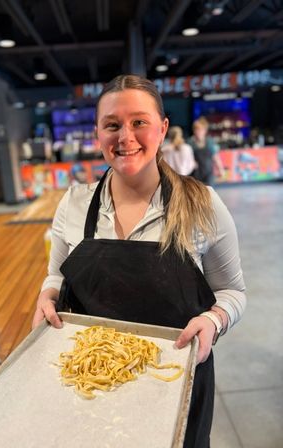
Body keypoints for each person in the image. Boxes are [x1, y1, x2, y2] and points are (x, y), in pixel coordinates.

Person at [32, 75, 246, 447]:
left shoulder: (202, 204)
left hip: (175, 382)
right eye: (112, 125)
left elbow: (232, 291)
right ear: (98, 133)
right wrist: (47, 296)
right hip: (94, 385)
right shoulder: (75, 203)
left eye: (139, 122)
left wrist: (213, 320)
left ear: (162, 129)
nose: (125, 137)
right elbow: (56, 275)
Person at [188, 117, 225, 185]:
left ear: (205, 131)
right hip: (195, 174)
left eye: (200, 129)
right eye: (196, 129)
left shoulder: (210, 141)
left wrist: (221, 169)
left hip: (208, 173)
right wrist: (191, 162)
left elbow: (215, 157)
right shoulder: (190, 143)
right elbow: (186, 158)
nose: (198, 131)